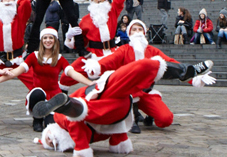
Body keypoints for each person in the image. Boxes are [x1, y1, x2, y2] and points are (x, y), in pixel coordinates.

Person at [32, 57, 214, 157]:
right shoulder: (90, 136)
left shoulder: (61, 123)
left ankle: (184, 72)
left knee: (144, 66)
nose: (50, 140)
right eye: (52, 143)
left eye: (48, 139)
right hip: (116, 108)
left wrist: (81, 151)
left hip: (103, 93)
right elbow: (117, 134)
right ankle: (69, 105)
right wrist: (83, 151)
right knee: (139, 71)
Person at [81, 19, 215, 134]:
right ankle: (131, 115)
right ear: (129, 33)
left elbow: (171, 63)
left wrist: (195, 79)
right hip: (126, 94)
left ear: (144, 33)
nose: (138, 32)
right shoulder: (124, 50)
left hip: (146, 91)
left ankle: (189, 74)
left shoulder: (152, 51)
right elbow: (109, 60)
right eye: (134, 29)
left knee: (165, 119)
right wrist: (95, 65)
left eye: (140, 29)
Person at [0, 28, 92, 132]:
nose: (48, 40)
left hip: (54, 97)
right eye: (45, 38)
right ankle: (37, 119)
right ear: (41, 41)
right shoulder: (33, 56)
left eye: (51, 37)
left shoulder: (60, 59)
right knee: (37, 93)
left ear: (55, 40)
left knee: (51, 126)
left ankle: (48, 116)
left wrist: (91, 83)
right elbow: (16, 72)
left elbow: (73, 74)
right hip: (38, 94)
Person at [59, 0, 128, 92]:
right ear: (91, 1)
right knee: (66, 76)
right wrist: (69, 36)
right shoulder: (85, 20)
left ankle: (134, 105)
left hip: (113, 53)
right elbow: (80, 43)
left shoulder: (112, 12)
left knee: (131, 76)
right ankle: (62, 102)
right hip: (93, 55)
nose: (99, 0)